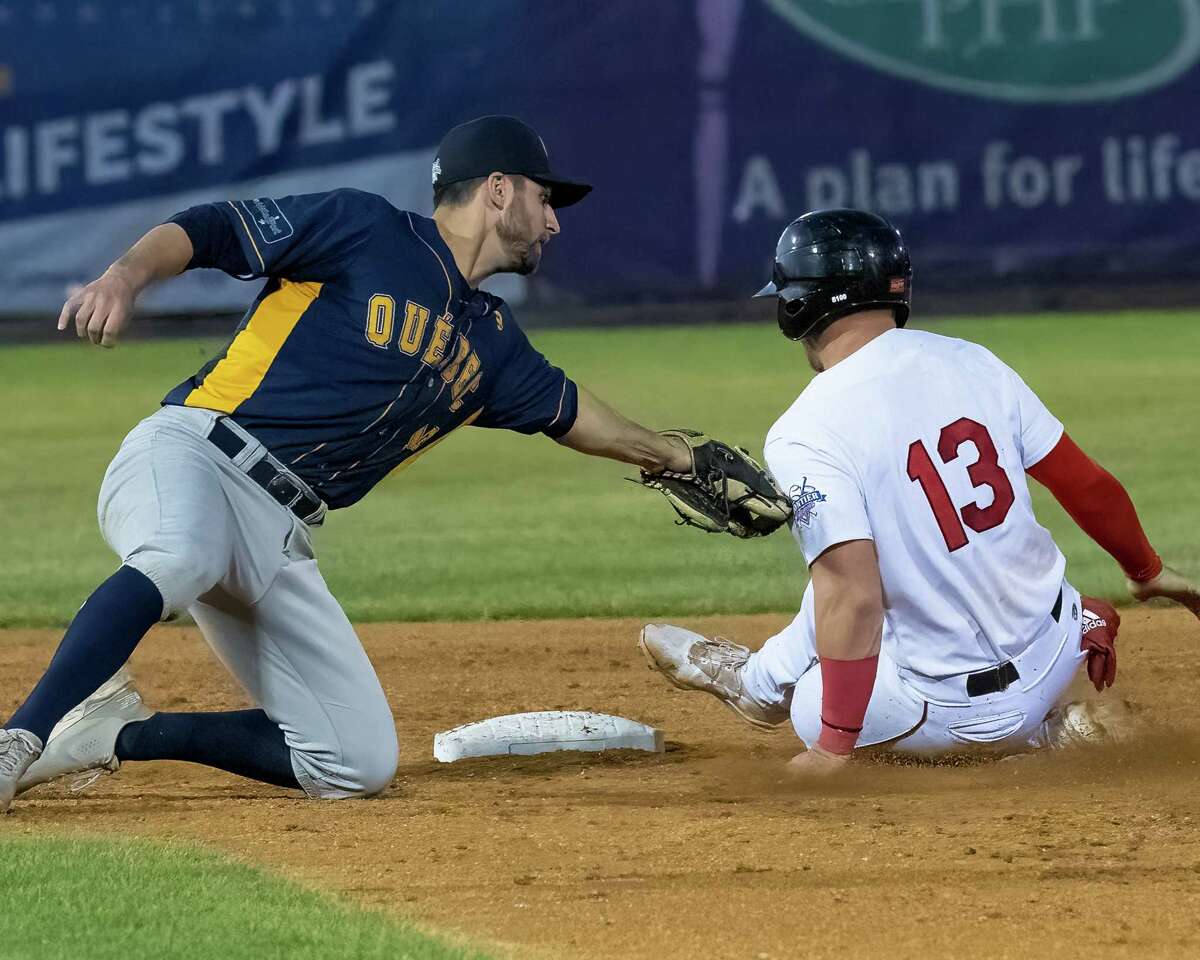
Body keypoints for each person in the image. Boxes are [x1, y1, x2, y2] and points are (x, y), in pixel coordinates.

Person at [0, 115, 717, 810]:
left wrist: (675, 456)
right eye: (544, 195)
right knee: (179, 557)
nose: (554, 220)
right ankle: (17, 739)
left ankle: (112, 732)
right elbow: (212, 227)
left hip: (276, 529)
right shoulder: (365, 227)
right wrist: (125, 278)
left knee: (353, 761)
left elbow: (572, 414)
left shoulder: (493, 343)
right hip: (196, 451)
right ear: (498, 189)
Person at [640, 209, 1200, 775]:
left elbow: (853, 595)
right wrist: (1146, 569)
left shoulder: (803, 430)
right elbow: (1088, 485)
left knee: (822, 660)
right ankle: (760, 683)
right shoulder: (972, 359)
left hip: (952, 709)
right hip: (1055, 650)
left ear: (798, 307)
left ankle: (1024, 737)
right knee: (866, 555)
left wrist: (832, 745)